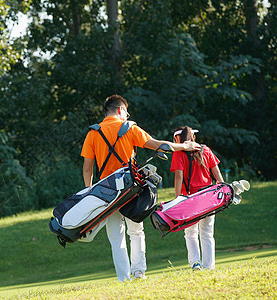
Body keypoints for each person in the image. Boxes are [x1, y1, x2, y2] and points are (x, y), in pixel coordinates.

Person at [80, 95, 201, 281]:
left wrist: (89, 191)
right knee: (135, 232)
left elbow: (88, 167)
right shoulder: (129, 129)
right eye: (126, 113)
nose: (127, 116)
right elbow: (160, 146)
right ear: (121, 110)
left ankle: (123, 278)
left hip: (106, 191)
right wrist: (185, 146)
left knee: (116, 238)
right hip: (130, 188)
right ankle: (138, 272)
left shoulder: (93, 133)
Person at [170, 125, 224, 271]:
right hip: (208, 197)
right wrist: (222, 187)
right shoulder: (205, 150)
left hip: (189, 200)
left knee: (190, 233)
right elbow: (216, 171)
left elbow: (178, 177)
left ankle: (195, 263)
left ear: (177, 139)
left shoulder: (178, 153)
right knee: (207, 233)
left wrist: (177, 199)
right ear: (193, 137)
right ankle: (209, 267)